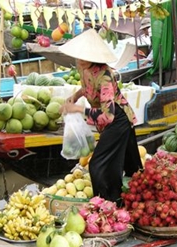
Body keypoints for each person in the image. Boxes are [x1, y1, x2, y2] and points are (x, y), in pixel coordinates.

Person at [58, 29, 143, 203]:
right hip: (109, 119)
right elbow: (88, 87)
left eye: (84, 57)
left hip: (117, 119)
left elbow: (108, 115)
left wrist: (79, 110)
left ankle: (107, 203)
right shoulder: (83, 67)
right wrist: (77, 95)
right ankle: (127, 199)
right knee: (130, 164)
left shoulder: (104, 75)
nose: (80, 60)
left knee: (98, 165)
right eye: (78, 56)